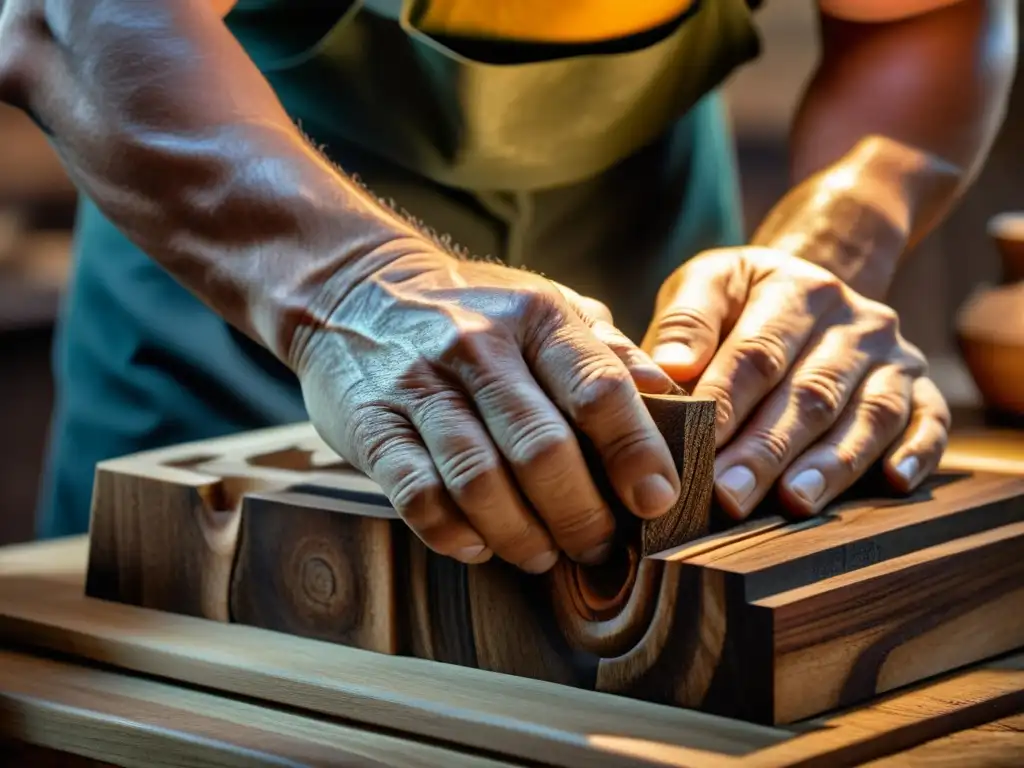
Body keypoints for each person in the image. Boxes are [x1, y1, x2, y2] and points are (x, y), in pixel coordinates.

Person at [0, 0, 1014, 574]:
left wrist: (820, 255)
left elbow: (920, 15)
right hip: (234, 309)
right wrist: (355, 284)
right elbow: (71, 18)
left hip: (650, 271)